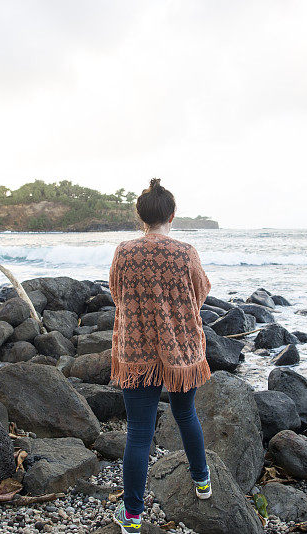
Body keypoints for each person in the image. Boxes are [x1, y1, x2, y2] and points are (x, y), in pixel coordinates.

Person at [109, 178, 212, 534]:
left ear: (141, 216)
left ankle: (133, 516)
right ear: (172, 214)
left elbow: (115, 292)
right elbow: (201, 292)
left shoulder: (124, 251)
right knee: (186, 415)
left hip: (136, 349)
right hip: (181, 347)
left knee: (139, 431)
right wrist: (174, 313)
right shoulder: (186, 252)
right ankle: (202, 483)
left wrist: (144, 313)